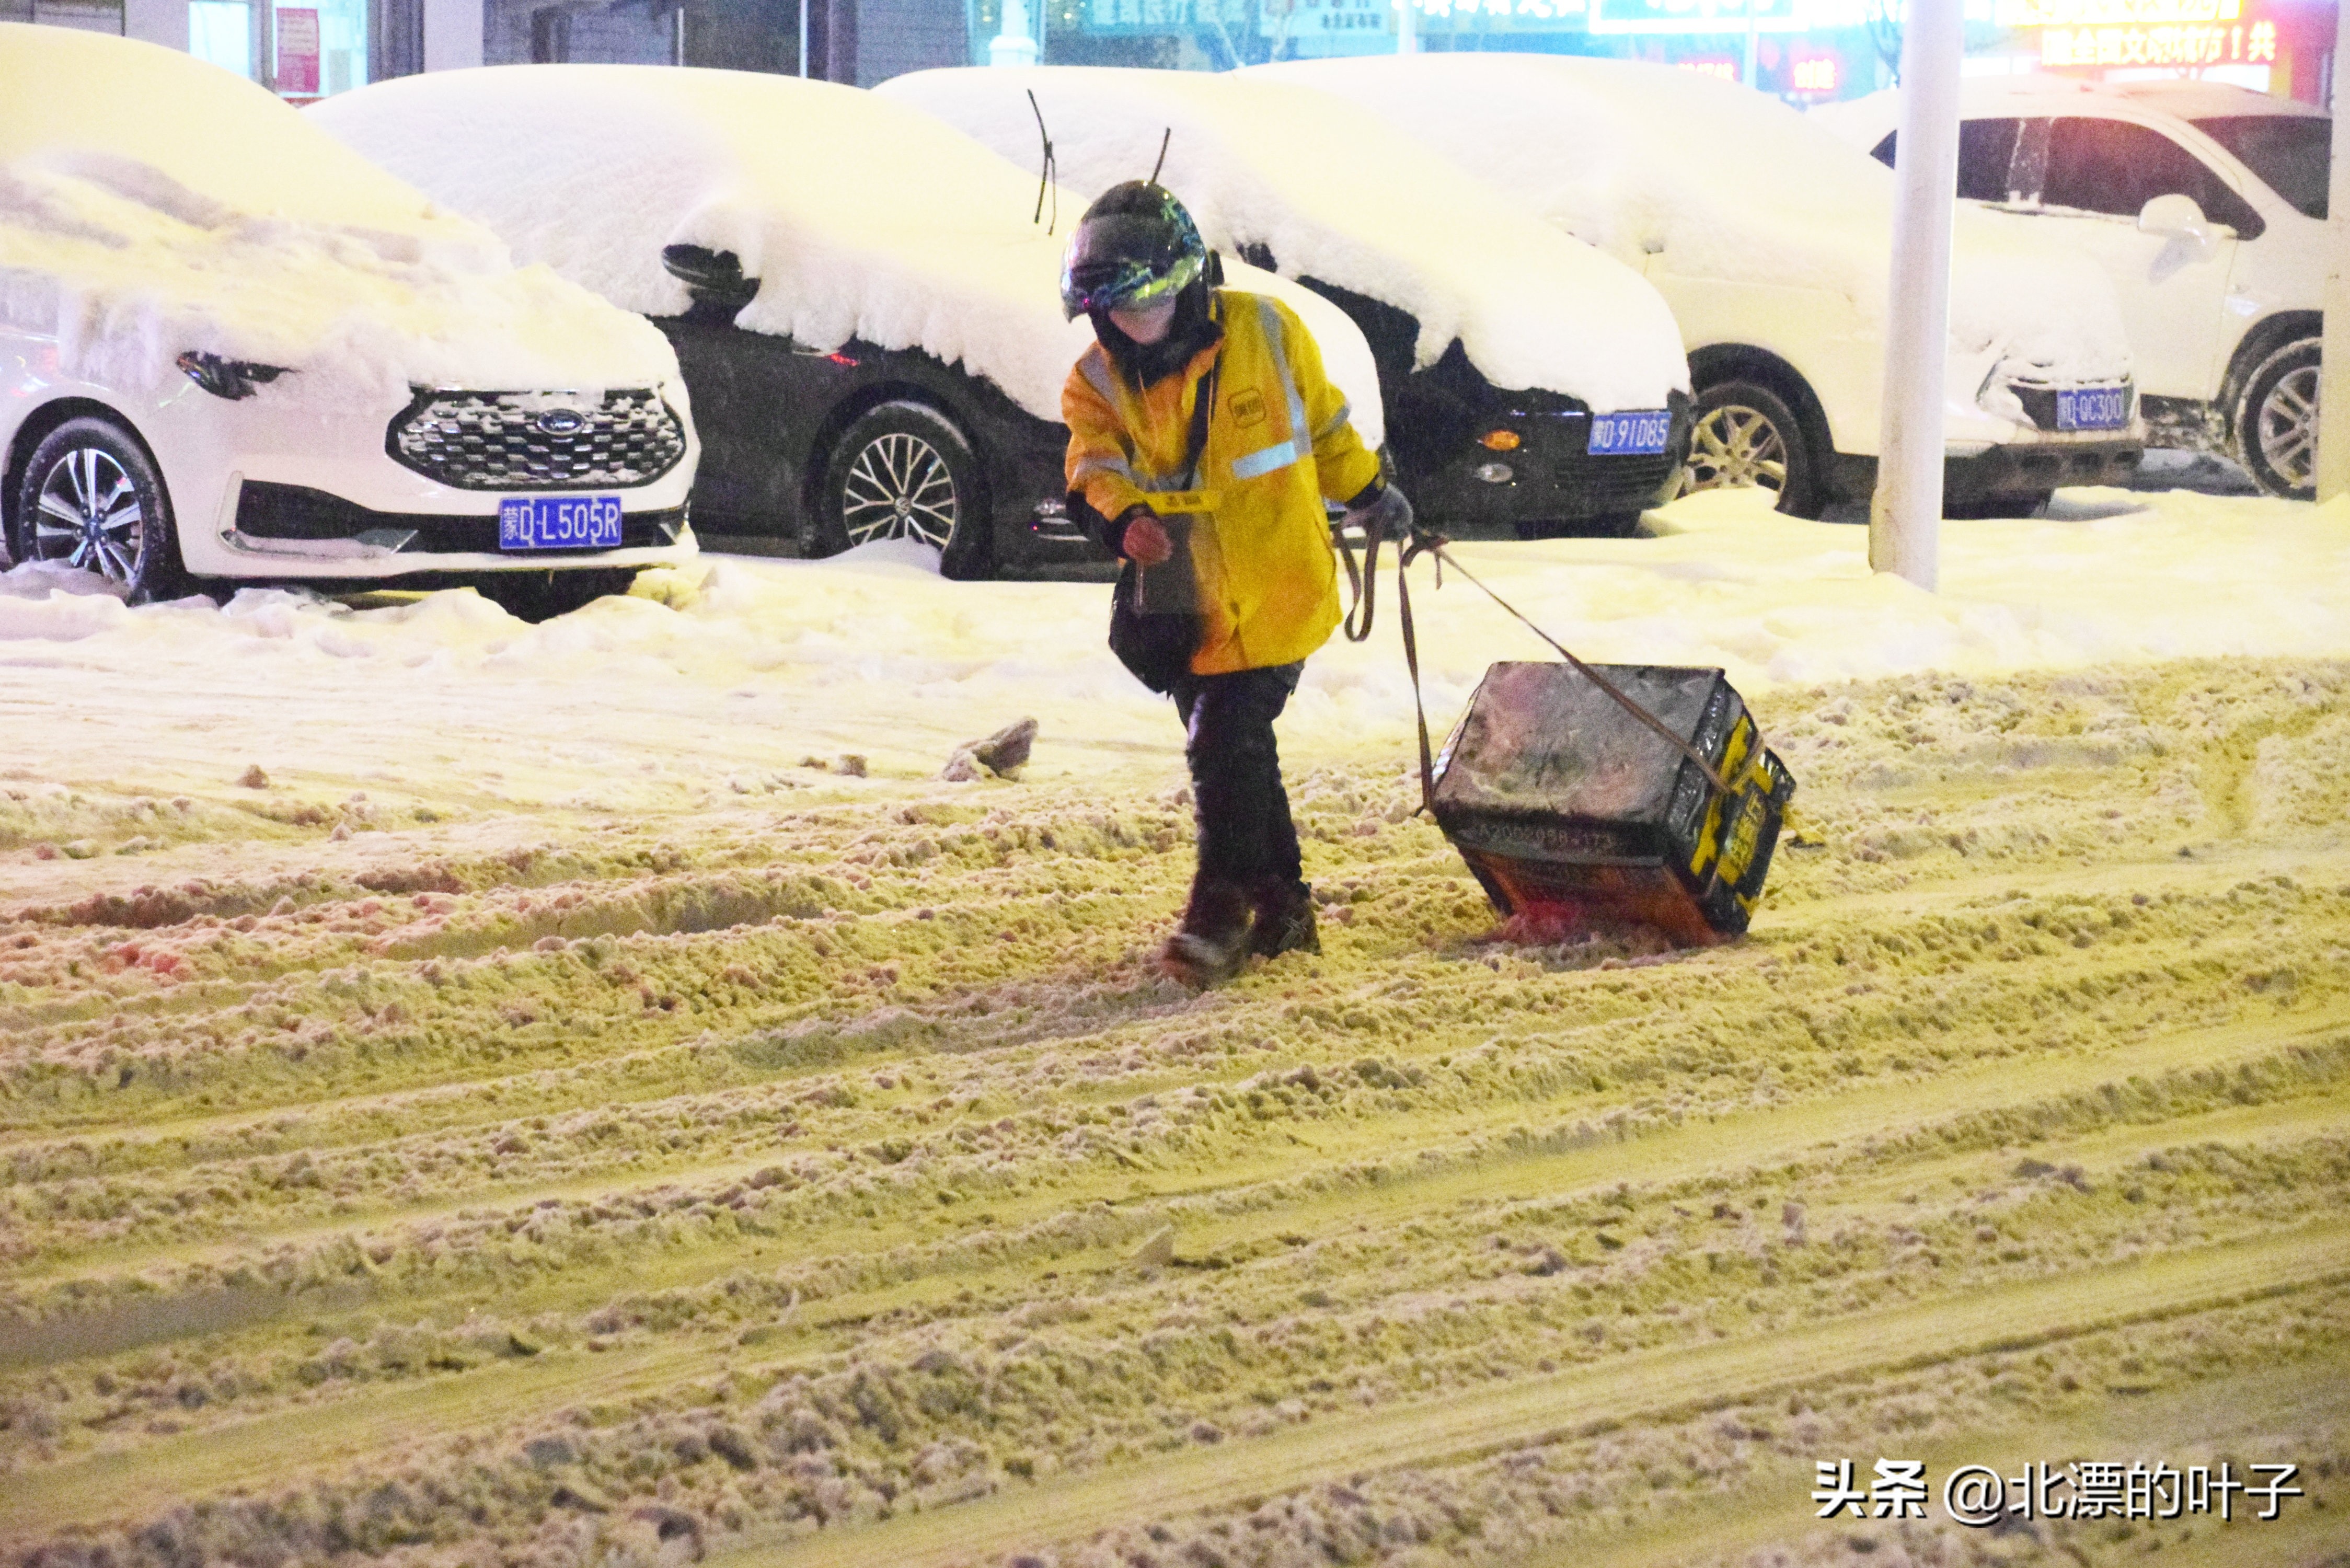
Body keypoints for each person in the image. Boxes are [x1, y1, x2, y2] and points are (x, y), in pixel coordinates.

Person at [1059, 181, 1414, 987]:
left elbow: (1325, 427)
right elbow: (1091, 468)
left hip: (1281, 585)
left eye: (1140, 307)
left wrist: (1369, 493)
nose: (1125, 327)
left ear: (1185, 284)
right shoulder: (1095, 379)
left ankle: (1219, 912)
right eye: (1110, 312)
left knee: (1225, 744)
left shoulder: (1269, 332)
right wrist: (1122, 522)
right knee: (1238, 754)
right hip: (1186, 603)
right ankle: (1283, 908)